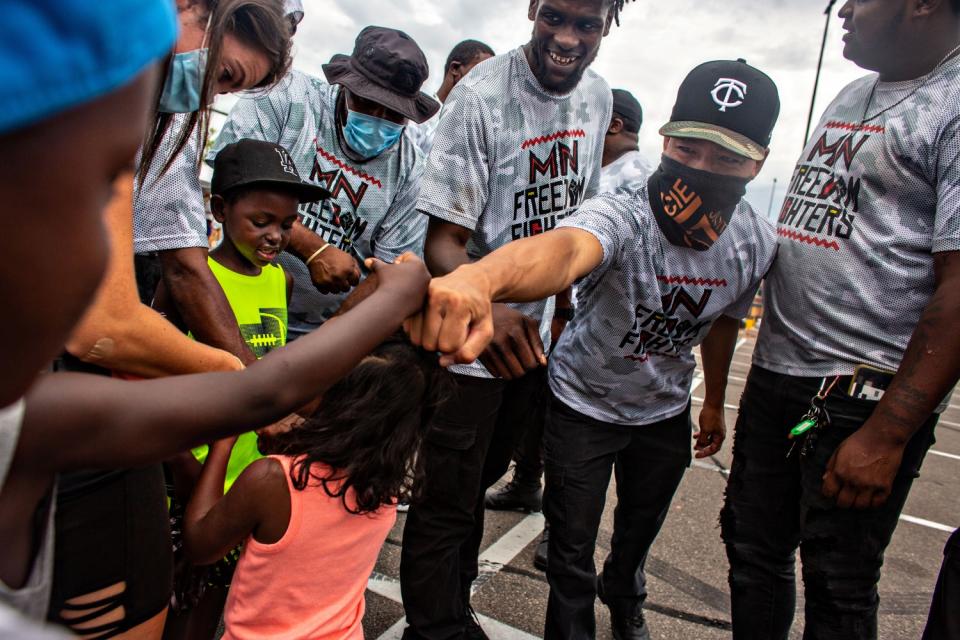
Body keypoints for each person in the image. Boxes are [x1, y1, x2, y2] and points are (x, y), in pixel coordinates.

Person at [406, 58, 780, 640]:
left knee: (635, 535)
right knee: (570, 550)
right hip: (582, 405)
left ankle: (626, 595)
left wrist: (712, 405)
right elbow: (564, 249)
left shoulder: (754, 240)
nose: (702, 169)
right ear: (665, 140)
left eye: (728, 158)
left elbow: (728, 322)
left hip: (662, 411)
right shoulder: (625, 211)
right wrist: (481, 279)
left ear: (758, 162)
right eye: (689, 149)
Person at [720, 1, 960, 639]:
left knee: (838, 579)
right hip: (780, 374)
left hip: (857, 396)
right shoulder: (857, 90)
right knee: (752, 549)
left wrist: (887, 434)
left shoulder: (954, 103)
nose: (845, 9)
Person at [400, 1, 637, 638]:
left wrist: (560, 311)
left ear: (606, 26)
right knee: (446, 498)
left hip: (530, 339)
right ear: (532, 8)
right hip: (470, 334)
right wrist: (494, 309)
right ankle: (435, 626)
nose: (566, 38)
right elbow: (442, 245)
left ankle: (453, 605)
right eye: (553, 16)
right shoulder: (480, 98)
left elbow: (575, 219)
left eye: (586, 25)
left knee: (483, 479)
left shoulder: (596, 97)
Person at [154, 138, 327, 638]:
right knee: (179, 593)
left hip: (246, 470)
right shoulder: (192, 279)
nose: (276, 236)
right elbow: (153, 375)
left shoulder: (282, 280)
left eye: (287, 224)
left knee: (224, 596)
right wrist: (182, 468)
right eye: (261, 222)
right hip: (190, 472)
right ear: (219, 209)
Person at [484, 87, 652, 571]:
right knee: (541, 416)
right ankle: (525, 484)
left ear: (614, 125)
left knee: (570, 432)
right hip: (584, 319)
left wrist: (561, 309)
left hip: (588, 324)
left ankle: (558, 530)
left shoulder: (624, 178)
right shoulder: (632, 173)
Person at [183, 338, 447, 640]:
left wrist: (223, 439)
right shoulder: (384, 488)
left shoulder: (272, 479)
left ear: (342, 404)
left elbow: (200, 546)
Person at [209, 26, 440, 338]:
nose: (377, 118)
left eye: (393, 114)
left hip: (326, 327)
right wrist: (315, 250)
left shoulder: (412, 168)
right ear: (346, 85)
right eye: (367, 102)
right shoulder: (287, 98)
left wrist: (326, 340)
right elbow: (234, 180)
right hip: (230, 299)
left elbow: (390, 269)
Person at [407, 39, 495, 158]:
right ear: (455, 69)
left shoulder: (477, 131)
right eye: (482, 73)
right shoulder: (417, 118)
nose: (488, 83)